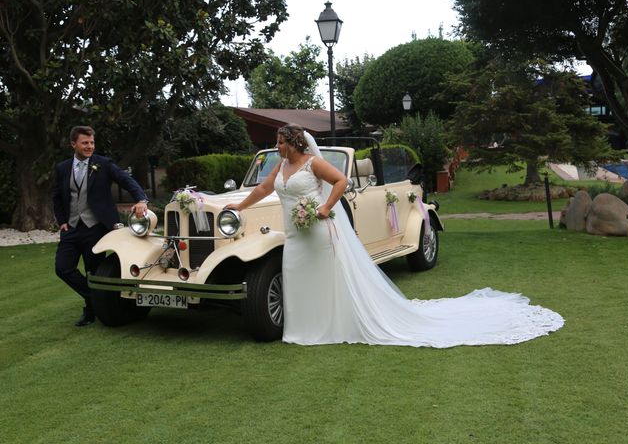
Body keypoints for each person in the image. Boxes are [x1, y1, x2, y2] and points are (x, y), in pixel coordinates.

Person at [225, 125, 564, 347]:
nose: (276, 146)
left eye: (280, 142)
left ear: (293, 143)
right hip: (295, 234)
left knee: (326, 277)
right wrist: (241, 204)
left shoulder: (313, 163)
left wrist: (326, 206)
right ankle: (299, 330)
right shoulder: (280, 167)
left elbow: (341, 183)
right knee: (299, 277)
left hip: (318, 228)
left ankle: (331, 326)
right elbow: (266, 188)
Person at [53, 126, 148, 326]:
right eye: (85, 143)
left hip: (96, 227)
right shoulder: (62, 168)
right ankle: (96, 299)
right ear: (73, 144)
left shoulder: (103, 164)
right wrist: (62, 221)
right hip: (71, 228)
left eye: (92, 143)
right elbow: (57, 197)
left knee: (93, 271)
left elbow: (126, 180)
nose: (89, 146)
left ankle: (90, 312)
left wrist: (141, 199)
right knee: (63, 269)